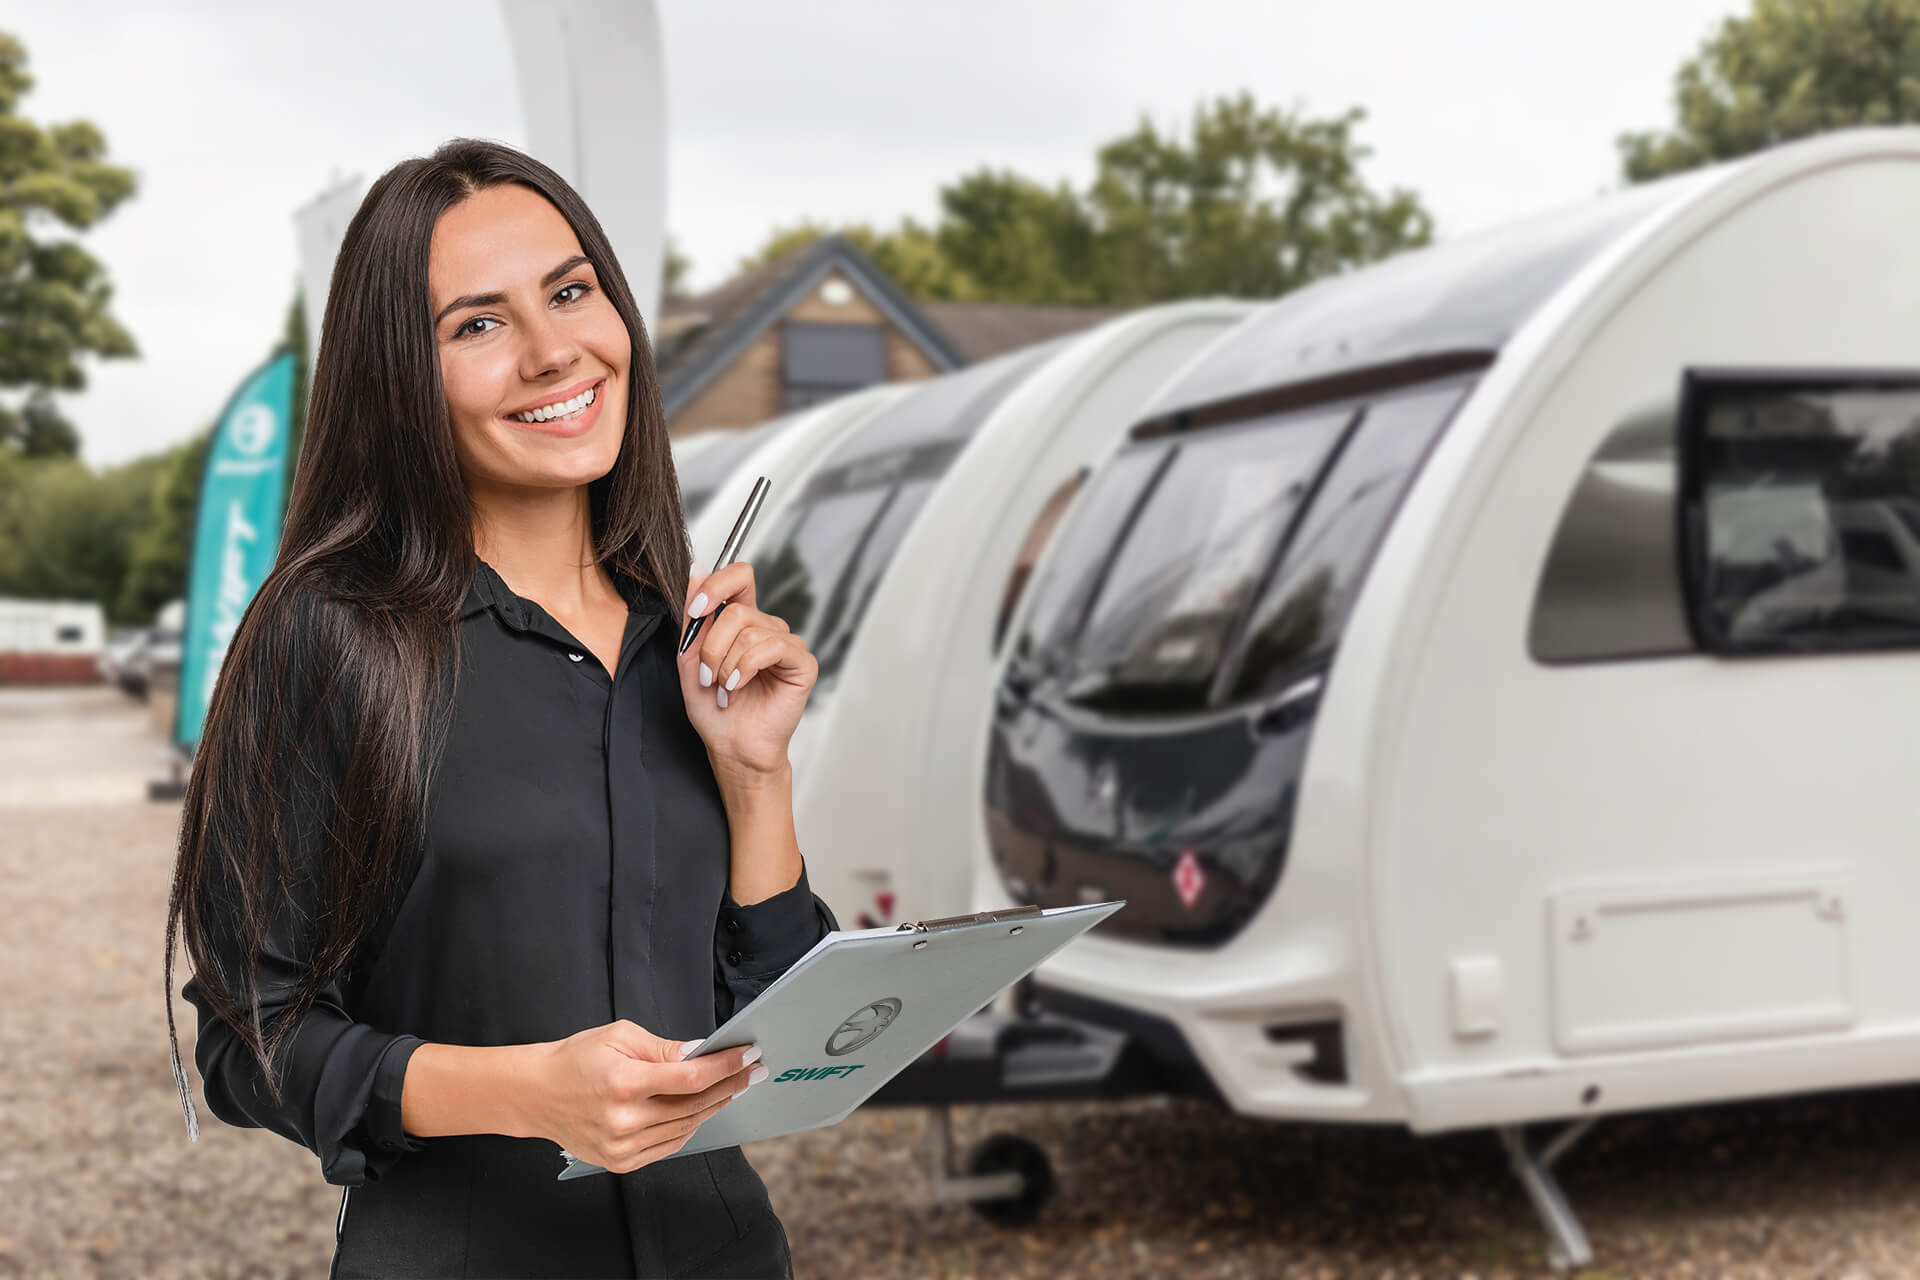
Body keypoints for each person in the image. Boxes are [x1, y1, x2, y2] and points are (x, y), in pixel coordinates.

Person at [163, 138, 836, 1279]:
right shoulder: (329, 636)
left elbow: (768, 1026)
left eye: (570, 292)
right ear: (401, 378)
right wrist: (523, 1090)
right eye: (477, 324)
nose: (552, 350)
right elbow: (248, 1039)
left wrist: (755, 772)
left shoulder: (678, 635)